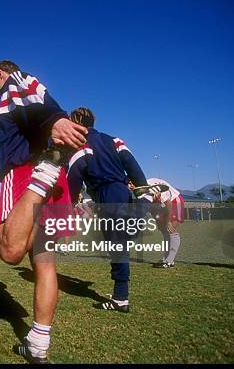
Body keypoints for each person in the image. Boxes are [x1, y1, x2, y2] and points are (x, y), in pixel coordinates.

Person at [0, 60, 87, 364]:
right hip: (54, 180)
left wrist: (56, 119)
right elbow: (39, 98)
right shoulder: (22, 87)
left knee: (9, 249)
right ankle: (38, 344)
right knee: (44, 265)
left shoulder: (13, 84)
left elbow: (36, 95)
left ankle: (45, 172)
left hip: (26, 174)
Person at [66, 107, 161, 313]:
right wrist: (142, 186)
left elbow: (74, 176)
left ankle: (120, 298)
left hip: (107, 197)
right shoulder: (113, 140)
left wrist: (72, 200)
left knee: (118, 247)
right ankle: (144, 203)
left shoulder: (81, 145)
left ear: (77, 122)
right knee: (120, 242)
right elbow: (131, 163)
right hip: (123, 193)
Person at [146, 177, 184, 268]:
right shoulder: (137, 192)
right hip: (161, 205)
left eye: (131, 182)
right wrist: (158, 220)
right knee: (164, 230)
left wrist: (167, 221)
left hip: (174, 201)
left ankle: (169, 261)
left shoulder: (150, 187)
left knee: (171, 230)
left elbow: (168, 203)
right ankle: (166, 258)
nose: (129, 185)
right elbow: (152, 207)